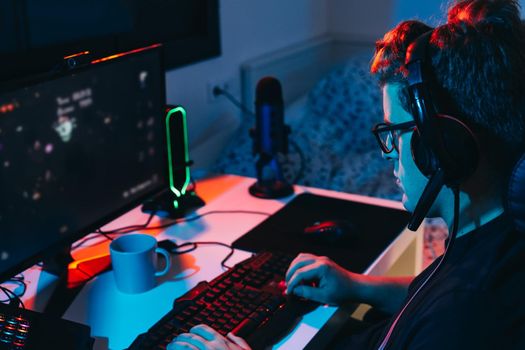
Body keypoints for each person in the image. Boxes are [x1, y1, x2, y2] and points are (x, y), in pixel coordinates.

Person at [168, 0, 525, 348]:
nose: (388, 156)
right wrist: (358, 285)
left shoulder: (467, 317)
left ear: (445, 145)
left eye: (392, 133)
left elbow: (446, 312)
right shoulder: (493, 235)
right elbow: (427, 296)